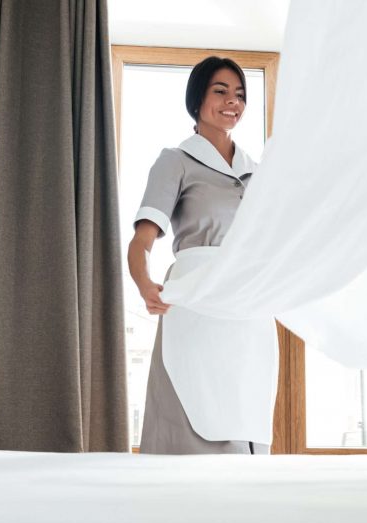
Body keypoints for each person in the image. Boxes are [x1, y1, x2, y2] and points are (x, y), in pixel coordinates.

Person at [128, 56, 278, 455]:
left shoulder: (258, 173)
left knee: (246, 412)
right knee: (196, 417)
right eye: (221, 91)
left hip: (248, 309)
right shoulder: (175, 161)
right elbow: (142, 241)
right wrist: (145, 283)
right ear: (197, 100)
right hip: (197, 301)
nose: (233, 102)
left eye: (241, 95)